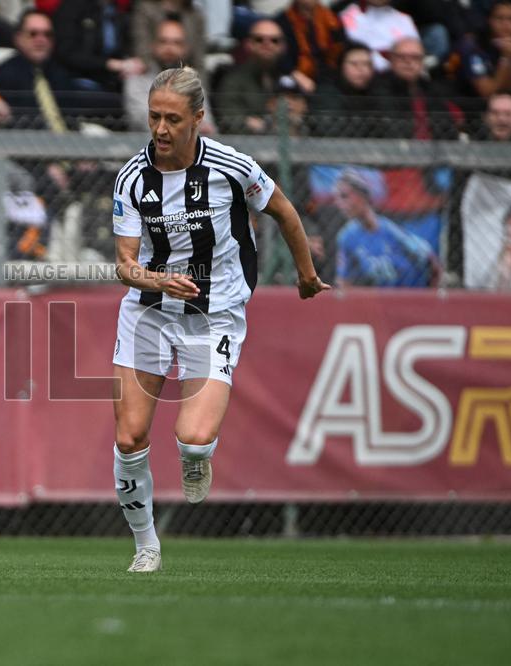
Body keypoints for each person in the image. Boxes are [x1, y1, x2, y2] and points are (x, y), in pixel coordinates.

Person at [111, 67, 330, 572]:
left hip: (214, 316)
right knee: (129, 437)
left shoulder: (233, 167)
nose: (160, 129)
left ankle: (196, 459)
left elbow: (285, 212)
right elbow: (124, 265)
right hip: (148, 312)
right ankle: (146, 546)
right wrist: (159, 281)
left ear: (197, 118)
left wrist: (306, 275)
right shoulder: (132, 178)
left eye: (172, 119)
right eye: (154, 117)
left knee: (193, 438)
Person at [334, 169, 440, 287]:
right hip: (385, 296)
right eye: (337, 198)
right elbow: (344, 281)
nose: (339, 204)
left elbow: (430, 259)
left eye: (344, 196)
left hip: (414, 291)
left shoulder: (391, 231)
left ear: (362, 195)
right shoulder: (347, 237)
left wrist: (433, 294)